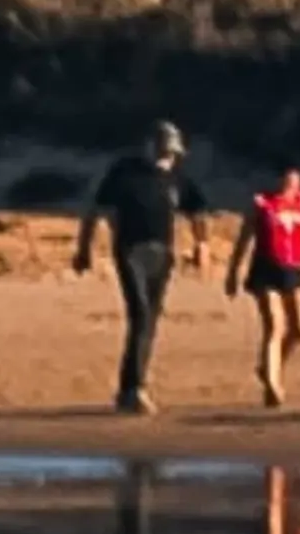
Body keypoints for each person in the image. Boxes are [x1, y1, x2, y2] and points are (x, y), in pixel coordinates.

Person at [74, 120, 211, 413]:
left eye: (174, 152)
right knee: (140, 314)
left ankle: (129, 388)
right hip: (130, 250)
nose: (170, 157)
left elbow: (198, 211)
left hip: (163, 254)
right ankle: (134, 388)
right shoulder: (124, 173)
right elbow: (96, 212)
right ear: (152, 145)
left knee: (149, 321)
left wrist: (202, 245)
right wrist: (84, 250)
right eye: (166, 150)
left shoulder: (176, 179)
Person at [227, 159, 300, 409]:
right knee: (274, 326)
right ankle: (272, 384)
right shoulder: (261, 204)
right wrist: (233, 273)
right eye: (285, 179)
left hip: (294, 269)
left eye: (293, 179)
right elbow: (243, 241)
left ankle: (270, 366)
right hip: (265, 270)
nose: (289, 184)